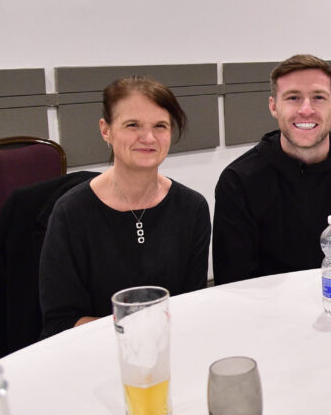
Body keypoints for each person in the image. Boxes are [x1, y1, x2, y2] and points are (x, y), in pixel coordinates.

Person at [40, 77, 210, 337]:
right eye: (133, 125)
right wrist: (137, 331)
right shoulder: (71, 213)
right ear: (105, 130)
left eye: (160, 126)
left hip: (171, 347)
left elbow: (190, 304)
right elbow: (60, 321)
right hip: (94, 352)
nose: (148, 137)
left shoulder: (192, 207)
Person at [213, 54, 331, 285]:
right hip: (266, 314)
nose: (306, 109)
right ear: (273, 106)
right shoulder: (239, 181)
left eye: (319, 97)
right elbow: (233, 283)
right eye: (293, 97)